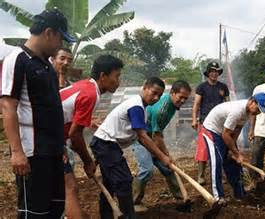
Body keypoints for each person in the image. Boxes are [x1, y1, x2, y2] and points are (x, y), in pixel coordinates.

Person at [1, 9, 76, 218]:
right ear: (49, 33)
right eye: (61, 38)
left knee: (55, 209)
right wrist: (17, 152)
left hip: (52, 151)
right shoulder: (17, 59)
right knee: (34, 212)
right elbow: (8, 106)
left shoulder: (47, 66)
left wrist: (60, 146)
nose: (61, 45)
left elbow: (52, 108)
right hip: (33, 152)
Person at [90, 77, 172, 219]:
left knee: (109, 182)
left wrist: (161, 155)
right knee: (124, 180)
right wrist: (162, 156)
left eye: (159, 95)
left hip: (104, 144)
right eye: (154, 92)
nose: (156, 97)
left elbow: (139, 137)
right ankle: (129, 216)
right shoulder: (136, 106)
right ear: (145, 87)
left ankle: (106, 215)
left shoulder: (141, 107)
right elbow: (142, 136)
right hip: (106, 144)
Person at [57, 54, 124, 218]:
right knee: (70, 188)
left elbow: (70, 114)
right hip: (44, 137)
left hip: (50, 137)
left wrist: (89, 121)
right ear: (103, 76)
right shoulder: (91, 94)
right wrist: (88, 161)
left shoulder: (86, 86)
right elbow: (75, 135)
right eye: (117, 76)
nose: (119, 81)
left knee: (62, 188)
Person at [201, 93, 265, 205]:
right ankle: (218, 197)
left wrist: (233, 151)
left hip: (224, 132)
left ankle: (240, 193)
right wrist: (236, 153)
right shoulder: (237, 111)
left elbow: (236, 130)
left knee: (233, 162)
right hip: (211, 130)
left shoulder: (247, 112)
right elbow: (225, 134)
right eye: (258, 109)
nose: (257, 113)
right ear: (252, 101)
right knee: (217, 162)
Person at [132, 80, 191, 208]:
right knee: (147, 170)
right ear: (172, 93)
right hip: (140, 139)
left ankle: (183, 199)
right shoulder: (163, 109)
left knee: (169, 169)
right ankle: (133, 202)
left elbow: (157, 135)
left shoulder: (171, 103)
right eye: (180, 97)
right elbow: (157, 137)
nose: (182, 101)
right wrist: (167, 155)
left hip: (152, 138)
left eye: (185, 99)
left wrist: (167, 159)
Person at [192, 62, 229, 185]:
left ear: (218, 73)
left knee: (221, 148)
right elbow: (196, 104)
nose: (214, 73)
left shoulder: (223, 87)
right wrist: (194, 119)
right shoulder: (201, 87)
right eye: (212, 71)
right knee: (203, 149)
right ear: (208, 73)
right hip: (205, 122)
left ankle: (221, 174)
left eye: (216, 71)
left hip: (221, 123)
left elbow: (228, 104)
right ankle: (201, 176)